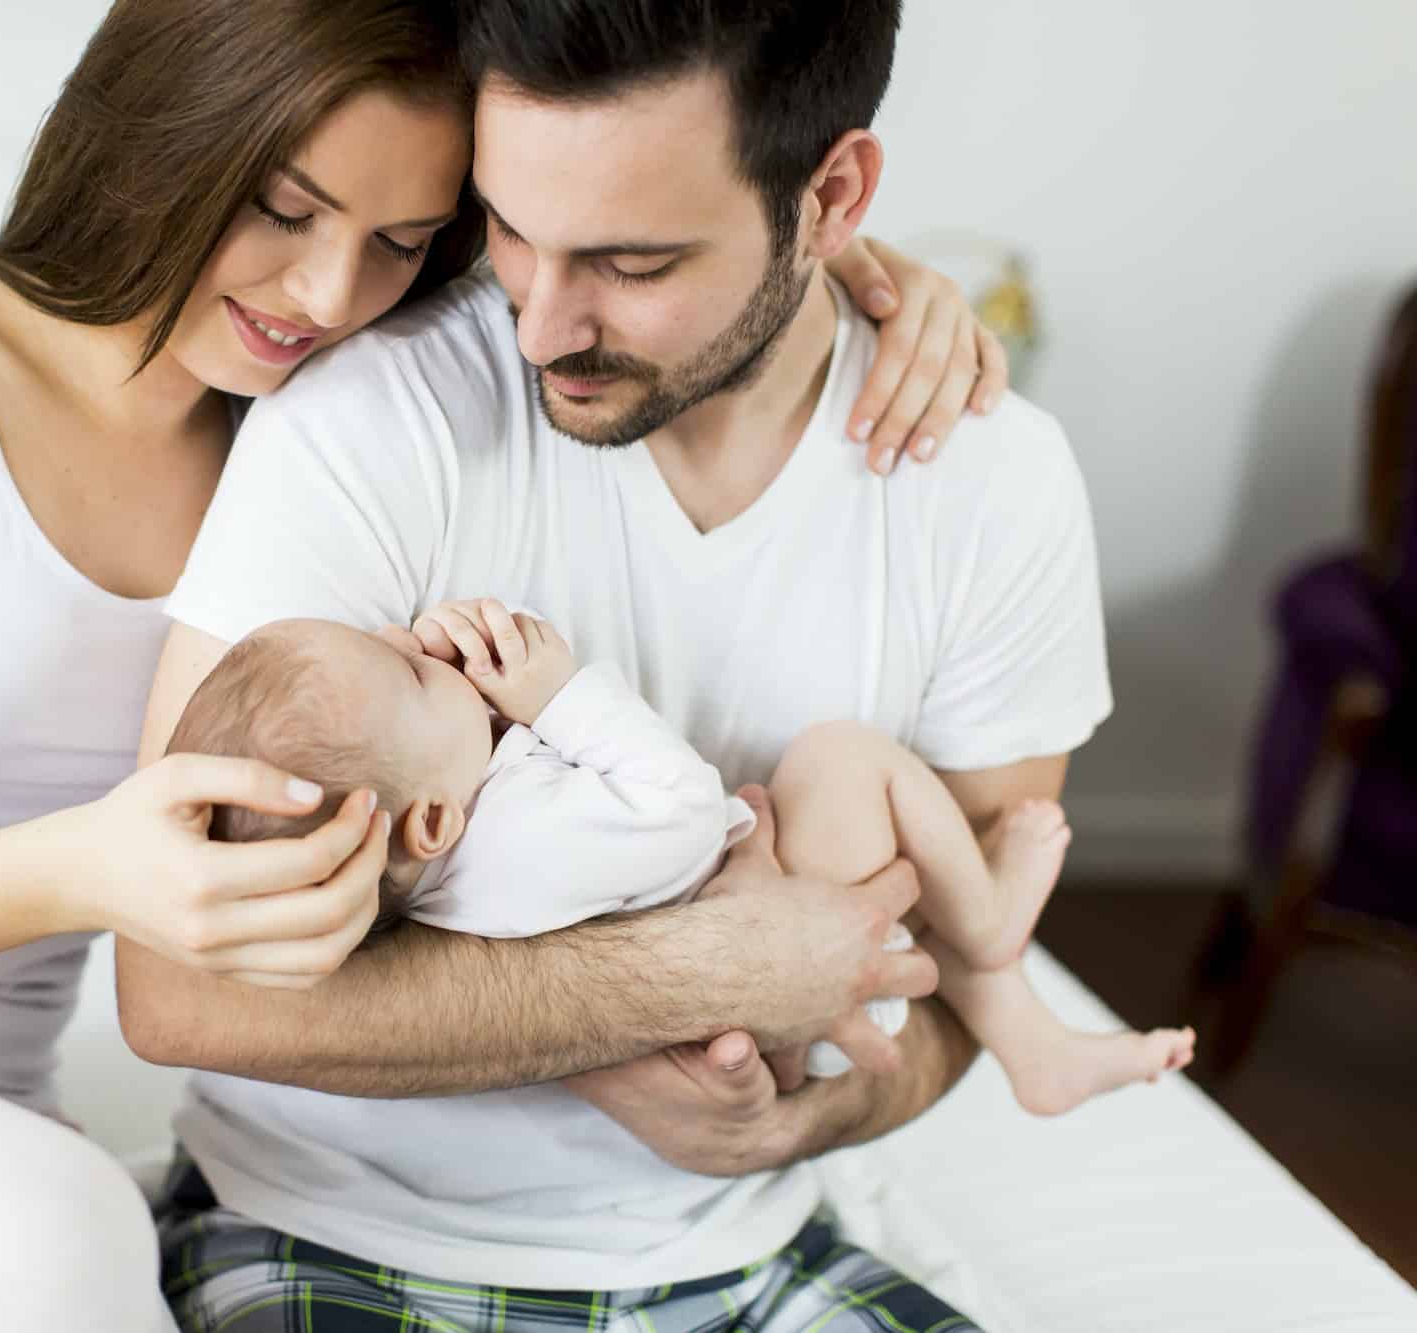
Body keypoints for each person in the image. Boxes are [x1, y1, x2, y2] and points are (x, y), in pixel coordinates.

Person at [0, 0, 1000, 1329]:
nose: (324, 297)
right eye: (287, 209)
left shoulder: (317, 432)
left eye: (401, 240)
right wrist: (83, 872)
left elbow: (638, 280)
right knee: (57, 1241)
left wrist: (866, 281)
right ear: (166, 120)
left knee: (47, 1236)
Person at [124, 1, 1111, 1328]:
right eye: (512, 233)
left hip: (747, 1255)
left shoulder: (994, 485)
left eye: (631, 263)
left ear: (833, 195)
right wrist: (701, 977)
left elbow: (969, 976)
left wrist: (794, 1122)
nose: (537, 328)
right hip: (327, 1231)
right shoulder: (377, 415)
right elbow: (177, 987)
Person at [170, 609, 1194, 1117]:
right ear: (429, 823)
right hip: (789, 987)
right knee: (845, 757)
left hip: (754, 988)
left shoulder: (452, 861)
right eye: (408, 671)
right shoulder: (516, 836)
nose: (421, 646)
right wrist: (559, 696)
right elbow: (681, 812)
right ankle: (988, 920)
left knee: (844, 814)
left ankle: (1033, 1050)